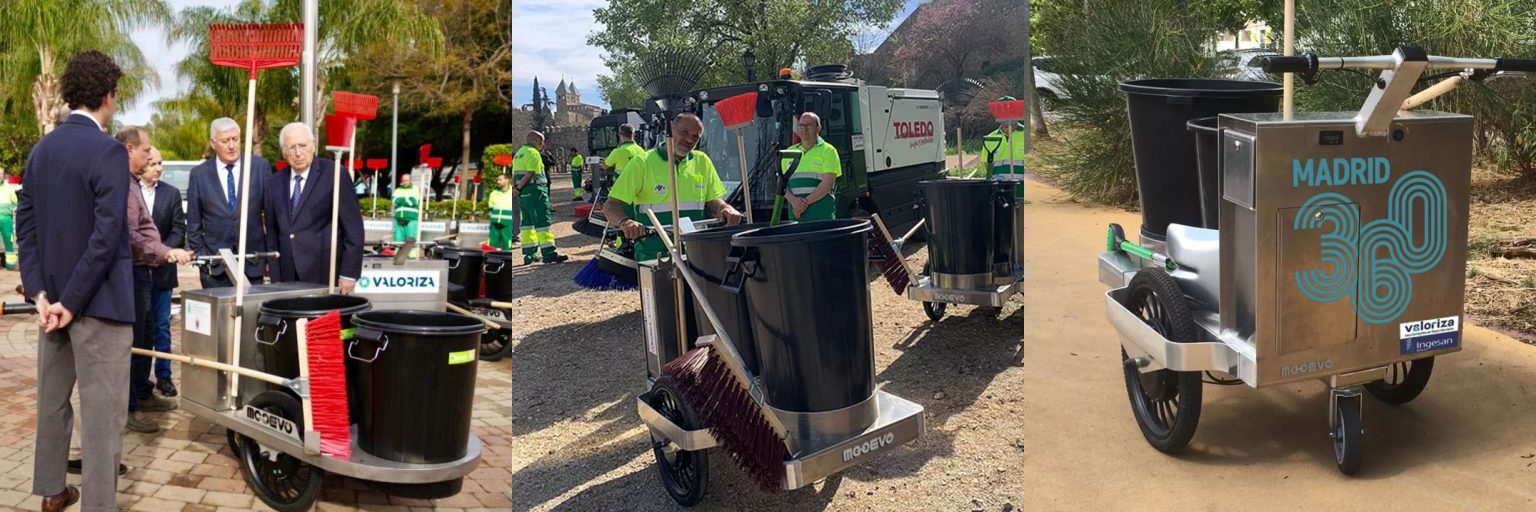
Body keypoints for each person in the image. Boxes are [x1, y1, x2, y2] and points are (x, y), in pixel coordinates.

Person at [18, 50, 183, 512]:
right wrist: (69, 300)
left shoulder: (42, 149)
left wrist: (41, 294)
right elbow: (108, 234)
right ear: (108, 95)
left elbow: (25, 226)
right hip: (100, 307)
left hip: (52, 307)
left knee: (53, 403)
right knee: (103, 415)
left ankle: (52, 491)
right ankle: (98, 506)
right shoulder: (109, 150)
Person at [116, 126, 192, 436]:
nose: (152, 157)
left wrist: (167, 251)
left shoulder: (133, 184)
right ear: (130, 149)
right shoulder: (119, 184)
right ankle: (129, 408)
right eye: (148, 151)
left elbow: (146, 228)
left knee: (146, 338)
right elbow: (130, 234)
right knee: (134, 342)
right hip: (129, 273)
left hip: (145, 272)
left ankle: (143, 394)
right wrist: (165, 251)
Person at [604, 113, 743, 262]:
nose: (689, 139)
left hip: (696, 252)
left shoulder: (702, 161)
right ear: (671, 128)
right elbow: (611, 205)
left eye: (695, 137)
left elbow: (714, 200)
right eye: (684, 132)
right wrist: (626, 222)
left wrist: (725, 208)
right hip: (654, 255)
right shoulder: (642, 162)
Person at [264, 122, 364, 291]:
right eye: (291, 147)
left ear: (313, 145)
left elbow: (353, 228)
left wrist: (349, 273)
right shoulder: (275, 182)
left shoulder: (334, 174)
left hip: (324, 273)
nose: (298, 153)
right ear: (284, 152)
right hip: (286, 275)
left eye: (302, 145)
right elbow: (272, 232)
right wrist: (275, 274)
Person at [186, 117, 271, 288]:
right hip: (215, 267)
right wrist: (203, 255)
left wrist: (267, 257)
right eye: (225, 141)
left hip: (252, 263)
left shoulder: (259, 167)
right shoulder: (199, 174)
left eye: (235, 139)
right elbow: (194, 223)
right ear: (213, 143)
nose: (232, 146)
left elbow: (271, 216)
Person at [142, 147, 185, 399]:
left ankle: (164, 376)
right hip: (137, 271)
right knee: (141, 328)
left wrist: (164, 252)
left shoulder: (171, 193)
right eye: (152, 163)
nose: (158, 168)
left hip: (163, 271)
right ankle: (140, 379)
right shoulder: (130, 191)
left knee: (161, 326)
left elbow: (179, 229)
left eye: (160, 163)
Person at [513, 131, 568, 264]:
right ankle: (549, 254)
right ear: (537, 141)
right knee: (542, 222)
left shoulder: (519, 154)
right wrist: (519, 187)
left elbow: (515, 174)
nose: (542, 145)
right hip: (536, 192)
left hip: (523, 194)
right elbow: (531, 173)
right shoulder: (533, 153)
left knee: (527, 224)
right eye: (542, 142)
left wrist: (516, 189)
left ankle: (529, 255)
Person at [781, 112, 842, 221]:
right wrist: (794, 201)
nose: (803, 129)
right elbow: (781, 183)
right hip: (796, 215)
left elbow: (827, 185)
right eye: (801, 125)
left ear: (818, 128)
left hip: (821, 215)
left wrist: (803, 204)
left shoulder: (829, 151)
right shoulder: (789, 152)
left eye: (808, 125)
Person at [982, 95, 1028, 199]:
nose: (1007, 124)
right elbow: (988, 166)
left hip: (1023, 189)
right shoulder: (990, 138)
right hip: (1000, 189)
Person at [391, 171, 420, 257]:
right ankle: (397, 255)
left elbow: (413, 202)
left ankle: (412, 256)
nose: (405, 182)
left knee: (411, 238)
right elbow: (394, 201)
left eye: (406, 180)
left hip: (411, 218)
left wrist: (400, 200)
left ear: (410, 180)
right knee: (398, 238)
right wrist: (406, 199)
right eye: (403, 180)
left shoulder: (415, 189)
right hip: (398, 218)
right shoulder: (397, 190)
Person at [487, 173, 516, 250]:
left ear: (507, 180)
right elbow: (490, 209)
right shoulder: (494, 193)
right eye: (497, 180)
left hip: (508, 225)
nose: (498, 182)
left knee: (508, 246)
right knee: (492, 246)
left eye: (500, 180)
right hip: (494, 225)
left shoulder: (512, 192)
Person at [0, 171, 18, 269]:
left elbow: (15, 203)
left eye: (1, 174)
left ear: (4, 175)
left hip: (6, 220)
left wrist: (10, 210)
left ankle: (10, 265)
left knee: (8, 241)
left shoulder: (9, 188)